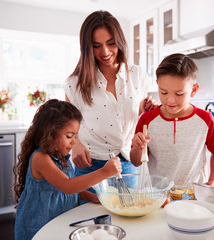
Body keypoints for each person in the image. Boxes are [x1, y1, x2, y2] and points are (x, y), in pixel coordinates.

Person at [63, 10, 157, 192]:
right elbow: (66, 128)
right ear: (87, 47)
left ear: (120, 41)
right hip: (89, 165)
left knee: (126, 218)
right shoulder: (74, 84)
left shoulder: (137, 75)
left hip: (127, 163)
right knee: (88, 219)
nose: (105, 52)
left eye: (111, 43)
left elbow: (132, 117)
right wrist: (76, 146)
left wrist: (145, 109)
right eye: (96, 45)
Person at [13, 99, 121, 240]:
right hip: (38, 227)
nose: (74, 141)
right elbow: (67, 186)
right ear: (50, 134)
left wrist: (92, 197)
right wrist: (104, 172)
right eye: (69, 136)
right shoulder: (40, 158)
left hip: (58, 223)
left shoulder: (61, 156)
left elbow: (63, 188)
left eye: (75, 136)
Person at [130, 53, 214, 187]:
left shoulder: (205, 120)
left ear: (193, 90)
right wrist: (137, 147)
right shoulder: (147, 119)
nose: (170, 100)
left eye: (179, 94)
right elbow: (136, 161)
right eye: (163, 92)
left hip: (192, 195)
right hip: (158, 195)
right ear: (157, 84)